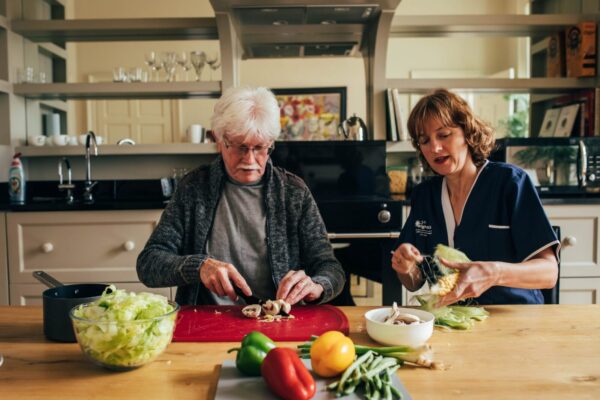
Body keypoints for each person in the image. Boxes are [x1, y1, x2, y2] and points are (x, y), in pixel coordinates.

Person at [137, 86, 345, 306]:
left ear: (270, 144)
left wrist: (317, 285)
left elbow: (331, 269)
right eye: (239, 146)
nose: (250, 159)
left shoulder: (293, 192)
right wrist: (198, 267)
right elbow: (148, 264)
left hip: (278, 321)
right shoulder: (193, 189)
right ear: (220, 141)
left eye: (259, 147)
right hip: (206, 319)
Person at [391, 89, 559, 306]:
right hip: (452, 321)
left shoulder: (510, 183)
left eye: (444, 135)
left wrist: (494, 273)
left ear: (467, 132)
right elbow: (413, 282)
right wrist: (405, 267)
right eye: (424, 140)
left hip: (514, 318)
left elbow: (549, 272)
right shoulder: (426, 196)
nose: (435, 147)